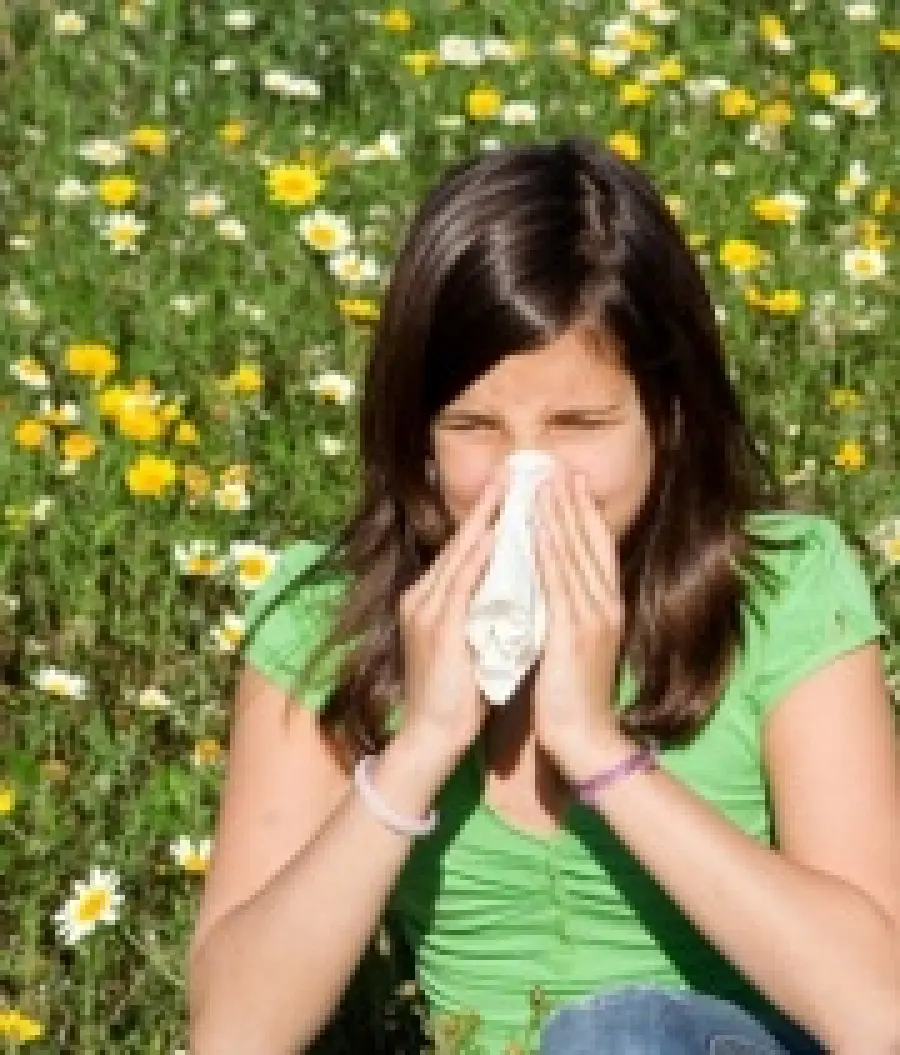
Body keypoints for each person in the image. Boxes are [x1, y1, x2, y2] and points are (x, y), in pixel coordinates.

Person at [186, 138, 899, 1054]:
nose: (527, 475)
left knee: (621, 1035)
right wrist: (421, 748)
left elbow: (876, 1013)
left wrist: (598, 749)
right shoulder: (324, 619)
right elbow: (236, 1034)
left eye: (580, 423)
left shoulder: (785, 587)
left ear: (669, 417)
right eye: (476, 427)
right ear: (419, 438)